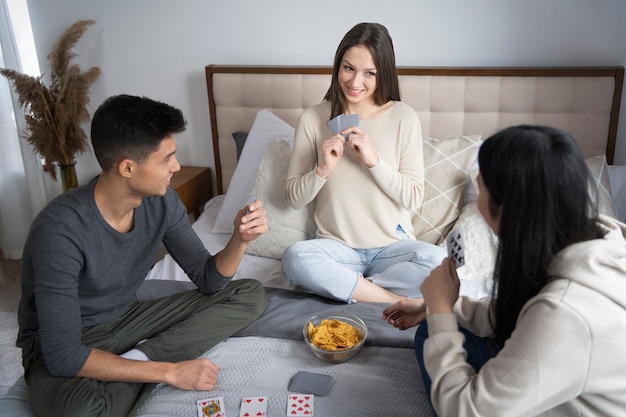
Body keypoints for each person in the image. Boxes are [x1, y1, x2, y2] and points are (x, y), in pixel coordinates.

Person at [17, 94, 270, 417]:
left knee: (250, 294)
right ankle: (146, 363)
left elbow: (208, 280)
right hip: (69, 342)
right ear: (127, 168)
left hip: (128, 318)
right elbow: (64, 356)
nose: (176, 167)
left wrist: (240, 239)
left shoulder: (161, 202)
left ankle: (137, 359)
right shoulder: (59, 232)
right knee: (79, 411)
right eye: (167, 159)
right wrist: (170, 372)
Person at [382, 125, 626, 416]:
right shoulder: (583, 236)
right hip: (555, 369)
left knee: (437, 336)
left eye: (481, 182)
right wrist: (438, 308)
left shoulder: (566, 313)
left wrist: (441, 312)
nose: (475, 186)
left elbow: (466, 410)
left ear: (508, 208)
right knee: (431, 329)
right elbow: (520, 312)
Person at [281, 22, 446, 304]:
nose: (355, 83)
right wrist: (322, 170)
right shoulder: (311, 119)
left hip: (392, 251)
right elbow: (293, 198)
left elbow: (413, 197)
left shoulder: (404, 117)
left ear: (383, 74)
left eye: (369, 73)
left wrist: (373, 161)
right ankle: (394, 300)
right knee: (294, 258)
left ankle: (356, 289)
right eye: (348, 68)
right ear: (337, 65)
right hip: (337, 249)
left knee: (441, 262)